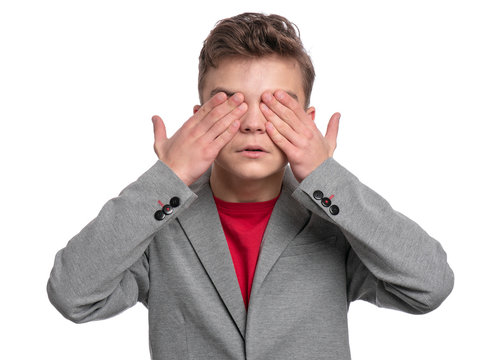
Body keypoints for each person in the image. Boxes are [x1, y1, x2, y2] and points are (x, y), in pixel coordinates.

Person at [47, 12, 454, 360]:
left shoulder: (335, 220)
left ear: (309, 121)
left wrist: (326, 177)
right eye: (230, 104)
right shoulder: (159, 220)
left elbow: (430, 286)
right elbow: (72, 296)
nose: (253, 123)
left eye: (278, 106)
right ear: (199, 117)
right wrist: (168, 178)